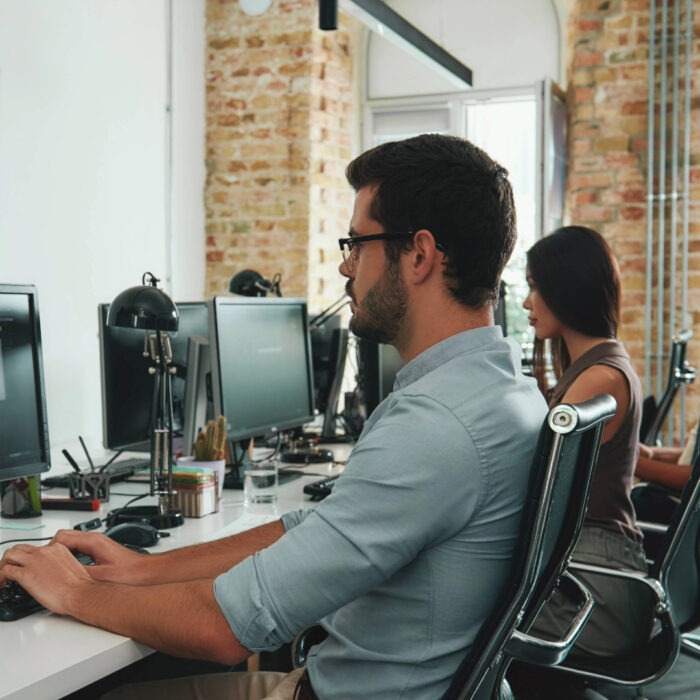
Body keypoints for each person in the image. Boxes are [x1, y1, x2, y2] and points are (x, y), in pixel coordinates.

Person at [0, 134, 547, 700]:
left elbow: (226, 629)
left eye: (357, 243)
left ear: (419, 254)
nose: (345, 265)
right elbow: (312, 531)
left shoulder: (435, 424)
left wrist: (74, 593)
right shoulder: (503, 391)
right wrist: (138, 571)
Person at [519, 225, 652, 660]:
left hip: (597, 591)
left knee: (461, 610)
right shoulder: (600, 364)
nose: (525, 303)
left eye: (534, 288)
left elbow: (538, 484)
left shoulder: (599, 378)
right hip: (590, 571)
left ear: (565, 289)